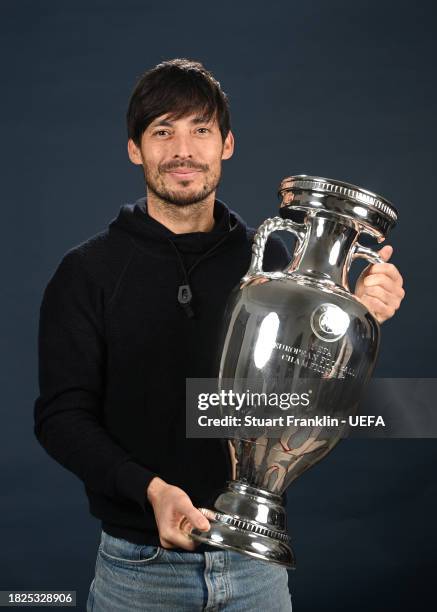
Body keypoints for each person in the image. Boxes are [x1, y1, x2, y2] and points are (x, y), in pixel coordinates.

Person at [33, 58, 405, 612]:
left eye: (200, 130)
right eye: (163, 131)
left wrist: (356, 316)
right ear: (135, 148)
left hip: (256, 572)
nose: (182, 150)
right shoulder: (86, 271)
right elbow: (61, 417)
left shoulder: (277, 267)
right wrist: (149, 490)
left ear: (226, 144)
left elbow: (304, 404)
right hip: (139, 573)